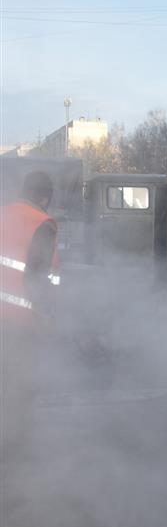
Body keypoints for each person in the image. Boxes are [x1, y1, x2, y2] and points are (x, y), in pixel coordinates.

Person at [0, 171, 60, 437]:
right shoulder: (41, 223)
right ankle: (13, 443)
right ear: (45, 197)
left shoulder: (3, 214)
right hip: (20, 321)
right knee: (20, 384)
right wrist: (46, 317)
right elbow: (37, 277)